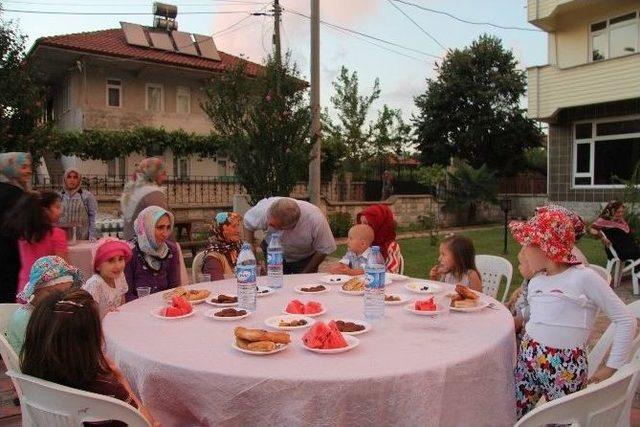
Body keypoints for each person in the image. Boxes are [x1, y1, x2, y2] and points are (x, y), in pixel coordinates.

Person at [509, 209, 636, 419]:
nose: (521, 252)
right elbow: (538, 312)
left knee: (562, 419)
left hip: (565, 368)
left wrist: (612, 366)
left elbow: (625, 320)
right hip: (528, 359)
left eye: (527, 244)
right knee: (516, 414)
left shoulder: (583, 278)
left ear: (546, 248)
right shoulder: (538, 281)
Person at [20, 288, 157, 427]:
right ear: (91, 341)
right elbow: (146, 423)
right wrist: (121, 379)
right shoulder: (110, 392)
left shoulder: (30, 379)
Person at [508, 203, 589, 336]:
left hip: (534, 334)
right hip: (525, 321)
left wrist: (517, 319)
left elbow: (553, 306)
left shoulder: (569, 266)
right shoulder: (550, 258)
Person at [6, 256, 82, 354]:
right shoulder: (26, 318)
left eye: (66, 293)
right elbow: (40, 357)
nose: (61, 298)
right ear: (36, 290)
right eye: (53, 293)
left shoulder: (48, 312)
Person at [243, 197, 336, 274]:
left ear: (291, 227)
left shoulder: (315, 219)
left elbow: (324, 248)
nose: (270, 225)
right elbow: (247, 224)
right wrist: (250, 249)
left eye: (275, 226)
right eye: (270, 223)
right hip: (273, 252)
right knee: (275, 285)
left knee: (305, 287)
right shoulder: (263, 210)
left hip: (304, 257)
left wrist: (305, 273)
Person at [6, 191, 68, 299]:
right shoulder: (57, 234)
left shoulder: (24, 233)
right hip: (48, 291)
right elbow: (63, 266)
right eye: (57, 207)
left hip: (25, 288)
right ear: (45, 210)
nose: (60, 211)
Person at [124, 206, 180, 300]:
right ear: (146, 227)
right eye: (160, 227)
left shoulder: (170, 250)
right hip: (137, 308)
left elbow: (174, 288)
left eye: (168, 227)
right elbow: (126, 293)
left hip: (165, 306)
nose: (165, 233)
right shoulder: (130, 252)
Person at [0, 152, 32, 303]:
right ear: (10, 168)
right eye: (23, 167)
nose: (29, 171)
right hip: (12, 254)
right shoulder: (18, 195)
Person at [83, 237, 132, 319]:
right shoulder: (95, 284)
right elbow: (89, 318)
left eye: (120, 259)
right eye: (110, 261)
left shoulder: (120, 276)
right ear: (98, 266)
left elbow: (122, 303)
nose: (118, 266)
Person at [120, 157, 168, 241]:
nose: (165, 177)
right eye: (163, 173)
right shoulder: (153, 193)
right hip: (146, 246)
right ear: (155, 173)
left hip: (130, 241)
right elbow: (162, 223)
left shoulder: (132, 190)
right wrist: (173, 248)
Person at [356, 204, 403, 273]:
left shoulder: (392, 246)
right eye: (361, 223)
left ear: (379, 225)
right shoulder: (365, 243)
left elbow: (391, 272)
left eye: (366, 223)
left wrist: (362, 271)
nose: (362, 227)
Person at [59, 167, 98, 241]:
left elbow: (93, 217)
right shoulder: (59, 196)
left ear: (79, 180)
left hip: (83, 238)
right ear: (65, 179)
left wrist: (92, 235)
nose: (72, 180)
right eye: (69, 177)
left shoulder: (87, 196)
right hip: (63, 239)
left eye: (75, 177)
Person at [202, 212, 243, 281]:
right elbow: (218, 285)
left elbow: (258, 274)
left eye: (238, 225)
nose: (238, 230)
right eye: (234, 226)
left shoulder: (239, 248)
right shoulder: (213, 257)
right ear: (220, 229)